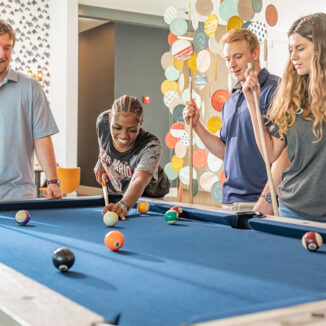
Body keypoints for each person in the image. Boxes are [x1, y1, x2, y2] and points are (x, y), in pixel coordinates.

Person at [183, 28, 280, 212]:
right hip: (229, 199)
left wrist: (267, 198)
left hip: (263, 201)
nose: (231, 65)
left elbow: (282, 154)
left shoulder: (276, 90)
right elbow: (225, 151)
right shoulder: (231, 99)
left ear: (255, 53)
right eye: (227, 59)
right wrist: (196, 126)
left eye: (238, 56)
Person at [243, 13, 326, 222]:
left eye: (300, 48)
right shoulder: (293, 96)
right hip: (292, 211)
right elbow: (270, 154)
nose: (293, 57)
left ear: (321, 48)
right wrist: (253, 105)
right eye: (291, 50)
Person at [0, 20, 62, 200]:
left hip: (19, 195)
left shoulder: (31, 87)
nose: (2, 54)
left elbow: (41, 137)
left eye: (7, 47)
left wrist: (52, 181)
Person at [94, 95, 170, 220]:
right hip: (119, 192)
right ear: (109, 119)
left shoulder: (151, 145)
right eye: (117, 127)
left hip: (150, 196)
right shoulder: (102, 122)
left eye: (132, 130)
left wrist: (124, 205)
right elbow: (103, 143)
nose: (123, 136)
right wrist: (101, 160)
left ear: (140, 124)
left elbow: (138, 180)